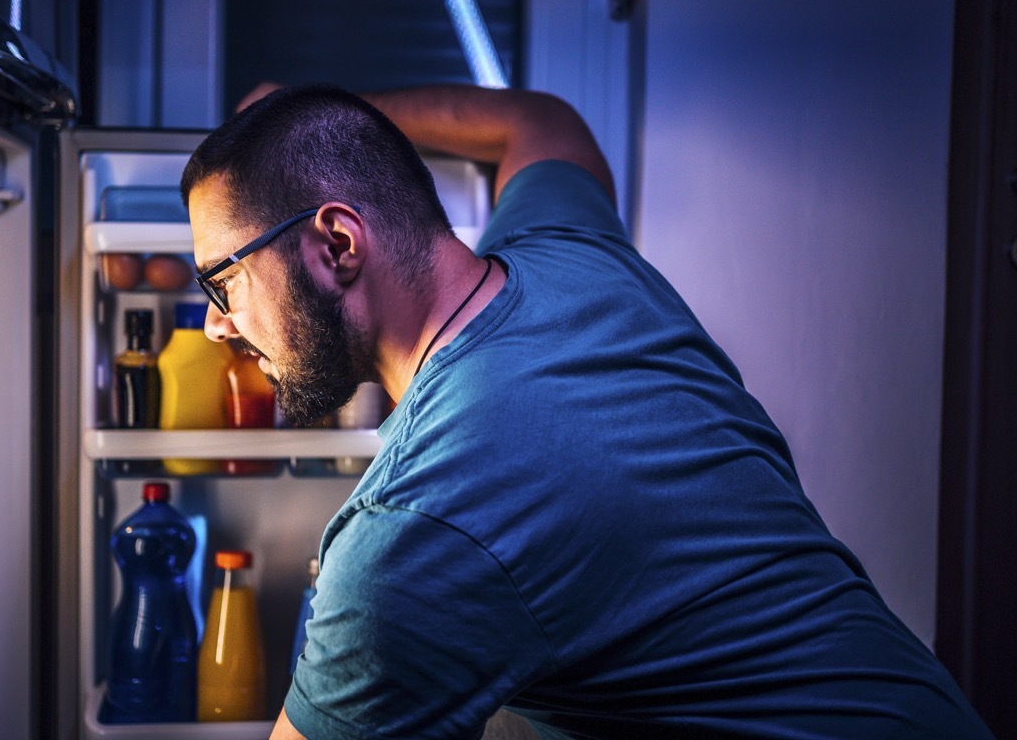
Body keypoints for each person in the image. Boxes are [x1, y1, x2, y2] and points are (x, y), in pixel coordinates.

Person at [179, 83, 993, 740]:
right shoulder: (571, 251)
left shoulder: (418, 531)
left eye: (222, 281)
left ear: (337, 246)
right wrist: (320, 124)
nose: (214, 323)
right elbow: (538, 119)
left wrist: (313, 132)